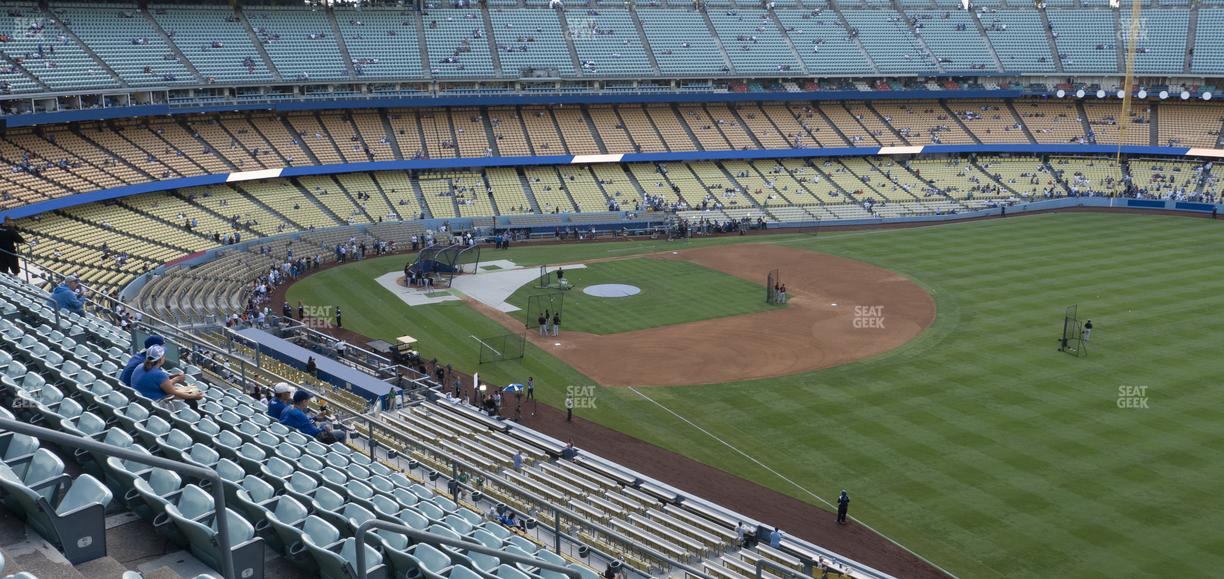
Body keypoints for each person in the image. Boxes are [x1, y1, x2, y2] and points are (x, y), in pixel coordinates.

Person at [131, 345, 204, 404]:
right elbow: (173, 392)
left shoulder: (140, 366)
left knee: (182, 389)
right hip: (155, 402)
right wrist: (194, 396)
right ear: (160, 359)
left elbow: (157, 380)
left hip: (142, 400)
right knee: (191, 401)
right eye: (163, 356)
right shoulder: (158, 374)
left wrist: (173, 377)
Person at [280, 390, 345, 443]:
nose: (308, 402)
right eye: (308, 400)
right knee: (341, 433)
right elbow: (315, 432)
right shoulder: (300, 415)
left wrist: (315, 418)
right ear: (304, 401)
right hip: (309, 439)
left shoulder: (287, 408)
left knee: (323, 423)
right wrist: (324, 429)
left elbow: (304, 423)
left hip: (294, 435)